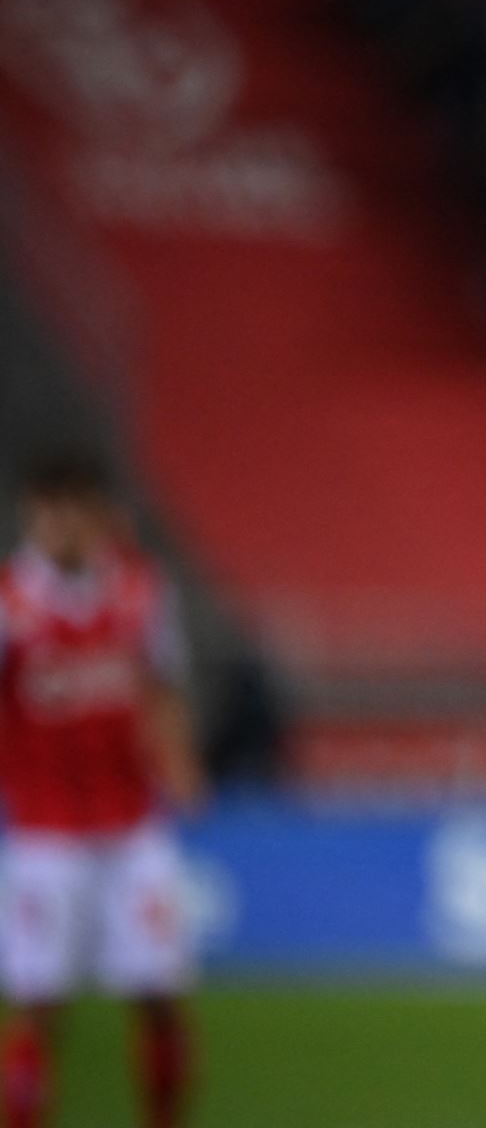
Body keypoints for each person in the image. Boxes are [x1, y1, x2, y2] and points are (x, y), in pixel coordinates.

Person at [0, 451, 203, 1128]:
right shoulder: (11, 604)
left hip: (132, 827)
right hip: (45, 833)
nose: (60, 527)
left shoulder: (141, 591)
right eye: (47, 512)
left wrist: (179, 761)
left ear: (97, 516)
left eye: (73, 511)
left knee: (159, 995)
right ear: (32, 516)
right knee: (40, 1003)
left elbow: (163, 683)